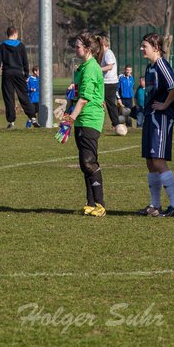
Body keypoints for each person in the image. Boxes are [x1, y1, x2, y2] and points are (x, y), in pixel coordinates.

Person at [139, 33, 174, 217]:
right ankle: (155, 205)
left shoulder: (161, 64)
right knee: (150, 162)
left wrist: (165, 105)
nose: (142, 49)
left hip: (161, 117)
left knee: (158, 160)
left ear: (156, 48)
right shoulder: (150, 68)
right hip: (151, 116)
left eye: (145, 46)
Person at [65, 33, 106, 216]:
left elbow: (85, 99)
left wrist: (70, 119)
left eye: (78, 46)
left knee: (89, 162)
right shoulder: (82, 68)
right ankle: (90, 203)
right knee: (84, 163)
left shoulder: (91, 68)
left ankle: (100, 205)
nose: (75, 49)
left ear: (88, 49)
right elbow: (78, 95)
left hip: (90, 118)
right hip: (81, 118)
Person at [0, 27, 37, 129]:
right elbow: (25, 61)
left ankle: (11, 121)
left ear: (8, 35)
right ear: (15, 34)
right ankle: (32, 117)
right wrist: (26, 74)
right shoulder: (20, 45)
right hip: (18, 72)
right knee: (24, 95)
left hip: (7, 73)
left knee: (9, 97)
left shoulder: (2, 46)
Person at [97, 34, 123, 129]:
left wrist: (98, 69)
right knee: (108, 103)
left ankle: (116, 123)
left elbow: (110, 66)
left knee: (109, 104)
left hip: (109, 82)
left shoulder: (108, 53)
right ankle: (116, 121)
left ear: (103, 44)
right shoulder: (105, 53)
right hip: (107, 82)